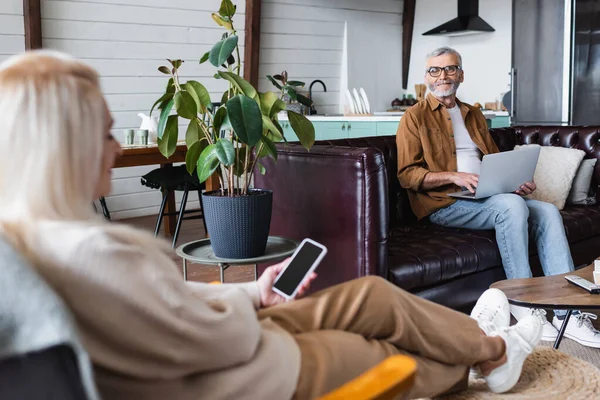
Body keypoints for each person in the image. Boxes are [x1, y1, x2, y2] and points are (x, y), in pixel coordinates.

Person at [0, 50, 542, 400]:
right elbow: (207, 344)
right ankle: (492, 354)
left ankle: (486, 341)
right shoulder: (95, 253)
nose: (117, 148)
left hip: (229, 337)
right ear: (60, 150)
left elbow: (172, 321)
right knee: (387, 356)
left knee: (372, 297)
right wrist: (248, 308)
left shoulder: (35, 239)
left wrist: (255, 294)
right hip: (249, 372)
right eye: (104, 134)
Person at [396, 46, 600, 348]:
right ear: (426, 77)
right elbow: (407, 174)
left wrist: (513, 182)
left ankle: (565, 311)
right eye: (434, 70)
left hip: (488, 196)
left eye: (450, 69)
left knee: (546, 211)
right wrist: (454, 176)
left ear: (461, 74)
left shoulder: (474, 114)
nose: (443, 76)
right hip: (445, 203)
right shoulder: (413, 118)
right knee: (512, 207)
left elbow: (493, 161)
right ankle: (525, 305)